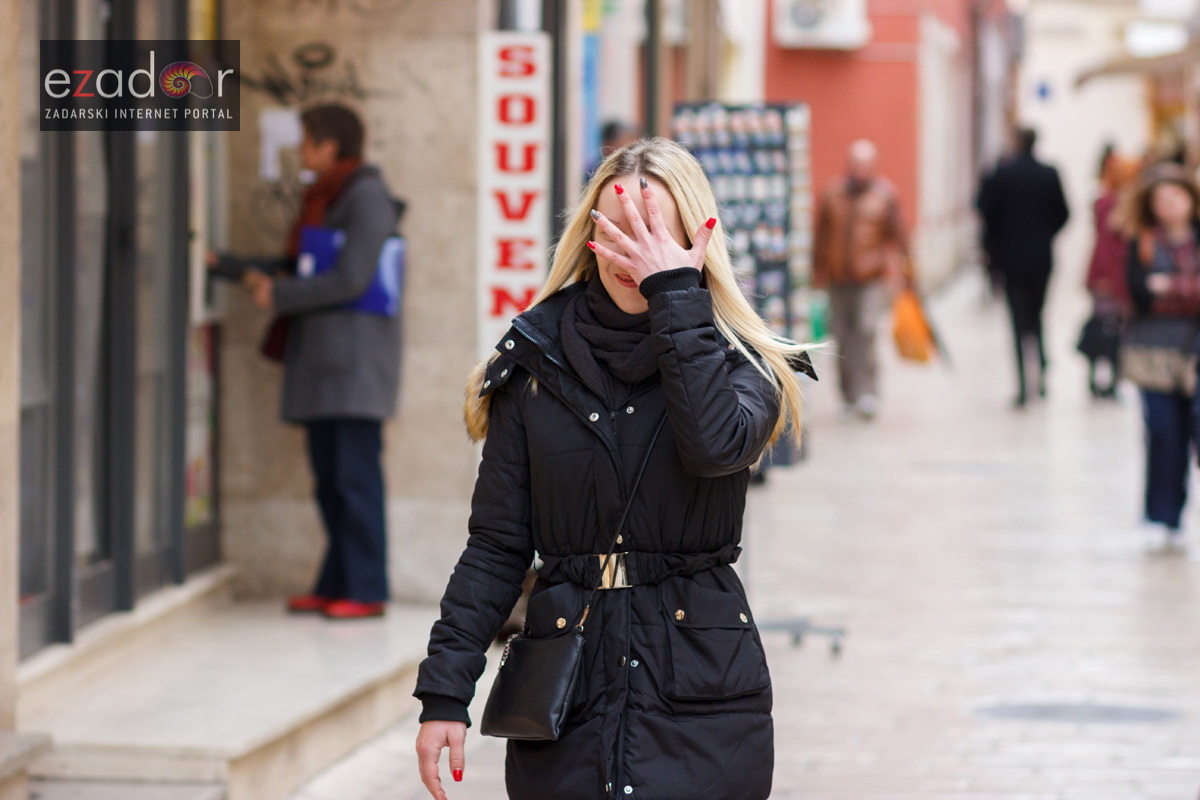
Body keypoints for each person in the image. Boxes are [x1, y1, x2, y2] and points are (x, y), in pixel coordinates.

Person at [413, 138, 814, 800]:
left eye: (656, 230)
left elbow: (715, 445)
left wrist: (674, 296)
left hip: (702, 691)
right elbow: (495, 548)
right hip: (568, 687)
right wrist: (443, 694)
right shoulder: (536, 364)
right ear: (590, 233)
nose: (635, 250)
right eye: (618, 227)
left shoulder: (743, 362)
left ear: (697, 237)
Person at [214, 104, 402, 618]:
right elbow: (300, 265)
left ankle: (366, 590)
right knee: (330, 482)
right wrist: (228, 267)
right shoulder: (328, 196)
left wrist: (279, 295)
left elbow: (351, 279)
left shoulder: (366, 198)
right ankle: (335, 582)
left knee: (355, 481)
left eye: (308, 141)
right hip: (325, 365)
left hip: (354, 368)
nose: (302, 150)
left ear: (331, 145)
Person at [1122, 165, 1200, 551]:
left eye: (1176, 197)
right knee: (1164, 435)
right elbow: (1139, 291)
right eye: (1161, 200)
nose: (1170, 206)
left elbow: (1157, 290)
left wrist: (1169, 285)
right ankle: (1162, 515)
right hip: (1151, 353)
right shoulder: (1144, 242)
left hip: (1195, 351)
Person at [813, 139, 911, 419]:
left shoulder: (884, 195)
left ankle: (868, 393)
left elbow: (900, 234)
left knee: (866, 334)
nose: (859, 171)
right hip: (837, 278)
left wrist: (908, 270)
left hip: (871, 279)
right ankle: (847, 395)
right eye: (855, 164)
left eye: (865, 165)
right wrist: (816, 270)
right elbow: (821, 235)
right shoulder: (832, 194)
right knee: (842, 337)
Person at [976, 127, 1070, 407]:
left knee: (1017, 320)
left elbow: (984, 210)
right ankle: (1040, 373)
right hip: (1041, 257)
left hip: (1010, 260)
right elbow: (1064, 213)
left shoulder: (1001, 174)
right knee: (1038, 315)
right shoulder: (1049, 173)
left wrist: (995, 246)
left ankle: (1022, 384)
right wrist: (1045, 235)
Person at [1081, 152, 1138, 398]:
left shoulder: (1108, 202)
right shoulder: (1113, 204)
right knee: (1110, 328)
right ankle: (1106, 378)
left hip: (1110, 273)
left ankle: (1103, 378)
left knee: (1107, 326)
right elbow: (1110, 244)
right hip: (1112, 274)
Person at [583, 120, 641, 184]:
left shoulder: (636, 169)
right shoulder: (593, 172)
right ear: (608, 144)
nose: (631, 148)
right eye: (626, 141)